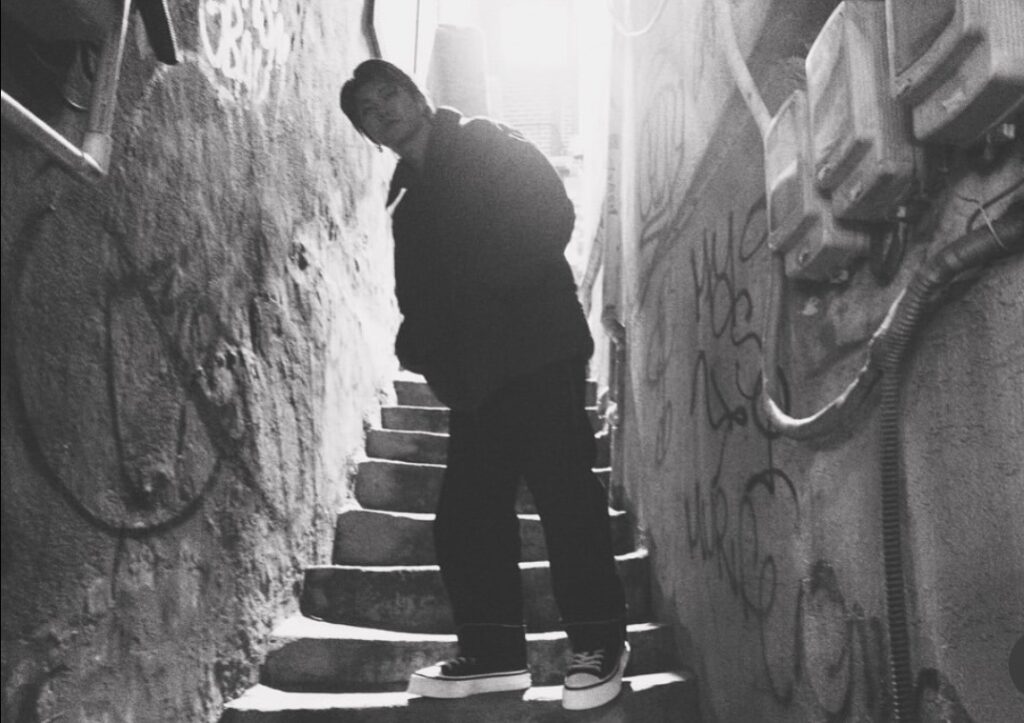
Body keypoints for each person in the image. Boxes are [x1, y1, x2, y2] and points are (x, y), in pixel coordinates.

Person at [340, 59, 628, 711]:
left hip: (538, 350)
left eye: (388, 94)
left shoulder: (487, 142)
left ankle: (598, 641)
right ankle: (495, 652)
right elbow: (417, 298)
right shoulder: (407, 202)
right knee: (466, 514)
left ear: (418, 96)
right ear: (368, 134)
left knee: (564, 495)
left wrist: (480, 298)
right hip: (476, 376)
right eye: (367, 111)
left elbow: (550, 215)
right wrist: (425, 349)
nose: (382, 111)